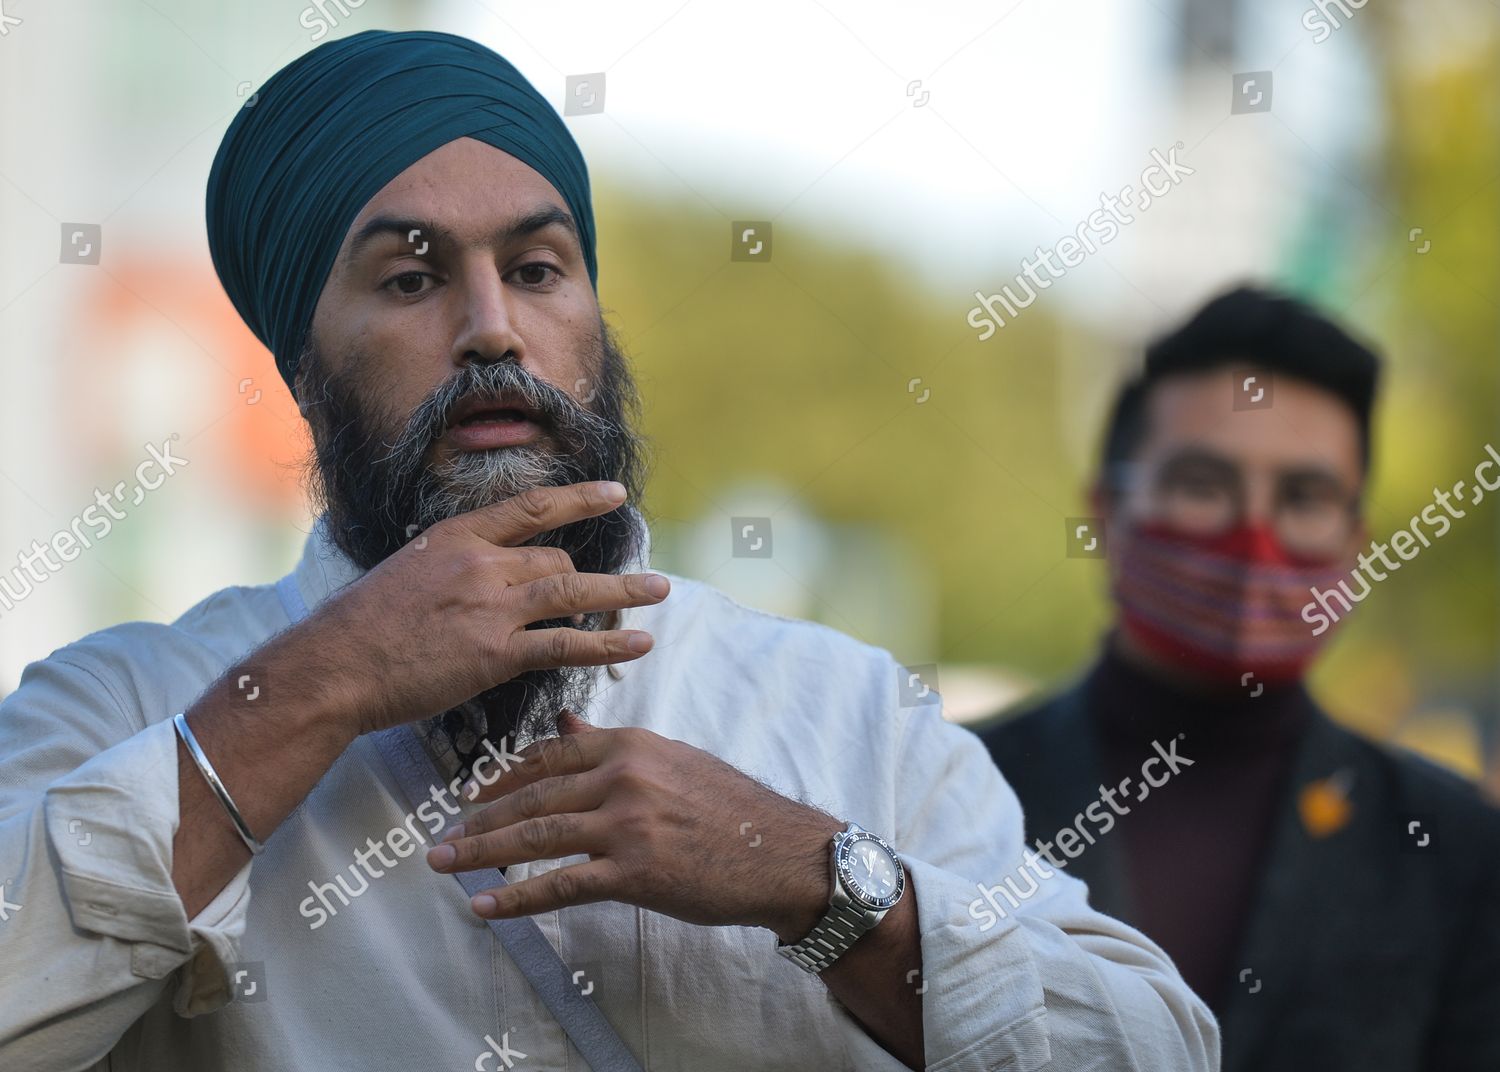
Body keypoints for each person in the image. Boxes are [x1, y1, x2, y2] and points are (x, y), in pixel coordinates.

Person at [0, 29, 1217, 1072]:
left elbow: (1157, 1044)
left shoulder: (843, 711)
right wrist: (327, 685)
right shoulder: (128, 704)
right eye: (410, 277)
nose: (492, 330)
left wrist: (811, 876)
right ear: (299, 366)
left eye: (537, 269)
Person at [978, 286, 1500, 1072]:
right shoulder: (949, 794)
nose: (1256, 537)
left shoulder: (1455, 850)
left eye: (1305, 497)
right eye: (1202, 485)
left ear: (1356, 539)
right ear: (1104, 512)